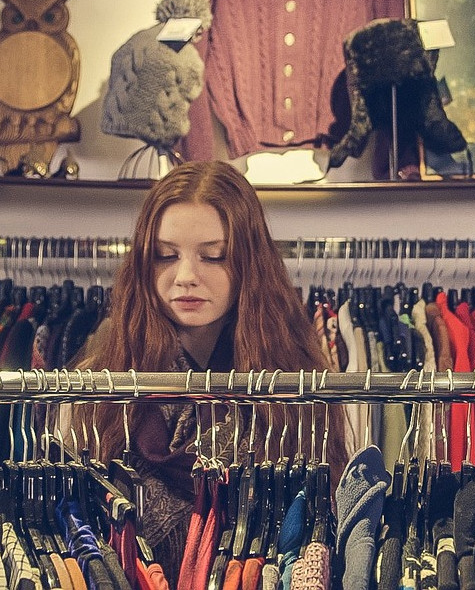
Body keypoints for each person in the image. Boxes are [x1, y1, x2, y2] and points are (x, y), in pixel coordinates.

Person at [73, 160, 351, 586]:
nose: (186, 276)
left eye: (213, 256)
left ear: (246, 263)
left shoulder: (295, 387)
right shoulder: (102, 384)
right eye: (166, 256)